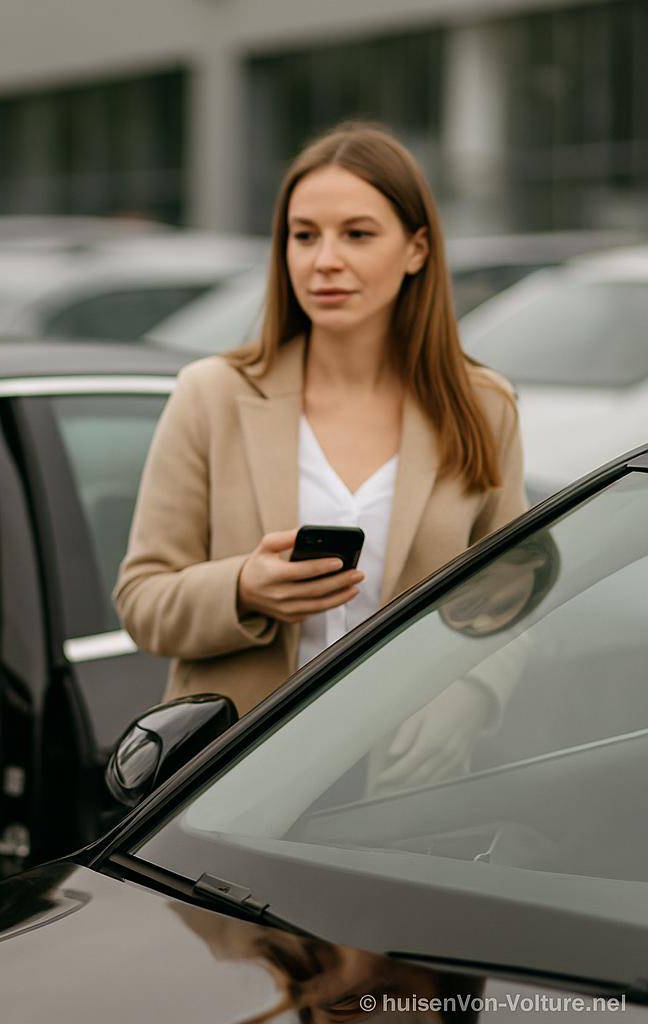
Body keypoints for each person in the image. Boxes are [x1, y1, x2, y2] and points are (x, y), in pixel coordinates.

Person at [112, 122, 525, 778]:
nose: (324, 260)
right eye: (304, 236)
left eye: (357, 234)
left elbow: (514, 596)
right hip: (232, 780)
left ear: (416, 249)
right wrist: (243, 588)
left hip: (405, 782)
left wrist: (473, 694)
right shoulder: (212, 394)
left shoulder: (482, 405)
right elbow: (143, 601)